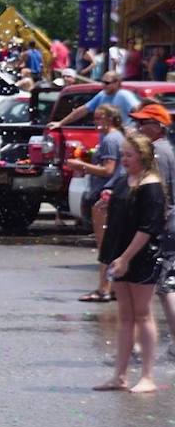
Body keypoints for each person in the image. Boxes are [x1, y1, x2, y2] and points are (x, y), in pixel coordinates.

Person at [94, 131, 164, 394]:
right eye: (122, 154)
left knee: (143, 314)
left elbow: (148, 228)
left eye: (128, 155)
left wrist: (125, 258)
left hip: (142, 256)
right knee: (124, 316)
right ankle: (119, 376)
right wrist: (107, 205)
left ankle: (147, 376)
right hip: (120, 254)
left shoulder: (151, 184)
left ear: (143, 156)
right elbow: (122, 213)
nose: (123, 158)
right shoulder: (126, 180)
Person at [128, 103, 175, 358]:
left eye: (144, 122)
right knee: (164, 286)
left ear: (159, 126)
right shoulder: (162, 149)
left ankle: (139, 347)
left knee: (163, 287)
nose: (138, 126)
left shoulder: (158, 152)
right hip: (167, 225)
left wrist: (149, 228)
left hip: (165, 226)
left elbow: (161, 195)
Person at [67, 104, 126, 303]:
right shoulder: (115, 137)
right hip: (114, 192)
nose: (96, 122)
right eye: (95, 118)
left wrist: (81, 165)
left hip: (106, 194)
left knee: (105, 245)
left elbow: (108, 170)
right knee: (114, 244)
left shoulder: (110, 139)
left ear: (111, 119)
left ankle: (104, 288)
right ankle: (116, 287)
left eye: (100, 118)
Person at [55, 71, 141, 128]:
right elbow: (83, 110)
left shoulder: (124, 95)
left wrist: (132, 128)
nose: (103, 85)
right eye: (102, 82)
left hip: (120, 141)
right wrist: (61, 123)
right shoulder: (102, 95)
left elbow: (139, 111)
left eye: (107, 83)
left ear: (117, 83)